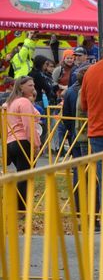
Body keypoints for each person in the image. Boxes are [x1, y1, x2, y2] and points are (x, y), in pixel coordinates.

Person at [2, 77, 41, 210]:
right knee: (25, 177)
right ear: (20, 88)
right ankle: (22, 209)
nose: (33, 88)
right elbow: (28, 125)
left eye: (33, 85)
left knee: (21, 175)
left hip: (11, 142)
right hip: (23, 141)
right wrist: (36, 145)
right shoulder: (23, 102)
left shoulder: (10, 102)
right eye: (30, 85)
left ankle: (18, 206)